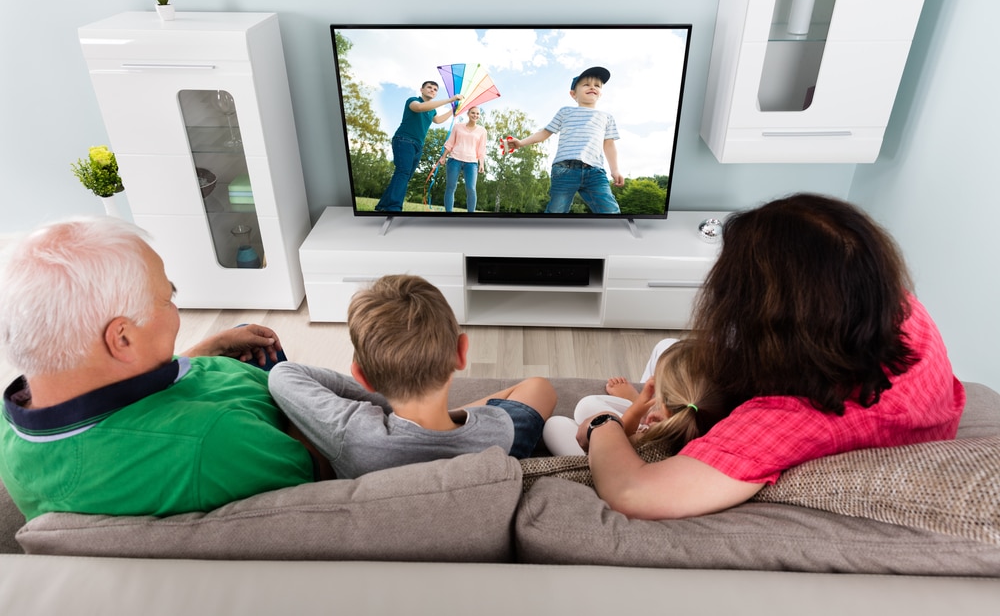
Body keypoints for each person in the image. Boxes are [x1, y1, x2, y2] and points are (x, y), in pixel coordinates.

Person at [576, 193, 966, 520]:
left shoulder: (792, 419)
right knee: (669, 351)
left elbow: (632, 493)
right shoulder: (897, 309)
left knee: (663, 358)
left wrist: (602, 424)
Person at [0, 217, 318, 521]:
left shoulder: (12, 427)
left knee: (246, 331)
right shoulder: (211, 442)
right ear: (122, 339)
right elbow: (322, 477)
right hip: (288, 414)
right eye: (169, 297)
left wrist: (210, 349)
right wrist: (292, 393)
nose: (175, 308)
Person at [268, 274, 557, 478]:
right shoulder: (498, 429)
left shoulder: (353, 433)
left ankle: (434, 416)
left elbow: (283, 374)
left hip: (376, 464)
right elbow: (535, 395)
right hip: (485, 457)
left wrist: (378, 397)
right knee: (539, 387)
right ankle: (448, 418)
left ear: (362, 377)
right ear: (461, 352)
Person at [542, 339, 725, 457]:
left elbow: (617, 443)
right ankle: (641, 406)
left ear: (666, 406)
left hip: (607, 459)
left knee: (554, 425)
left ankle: (640, 407)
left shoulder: (653, 443)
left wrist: (635, 411)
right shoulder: (708, 420)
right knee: (585, 406)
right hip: (646, 431)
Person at [505, 66, 624, 213]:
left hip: (595, 172)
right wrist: (521, 143)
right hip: (564, 170)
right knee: (556, 211)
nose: (592, 87)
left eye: (597, 85)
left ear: (600, 93)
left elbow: (609, 145)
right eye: (586, 84)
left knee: (610, 211)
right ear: (573, 94)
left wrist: (615, 170)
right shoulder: (566, 112)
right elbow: (544, 132)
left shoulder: (606, 117)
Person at [374, 81, 463, 212]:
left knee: (405, 176)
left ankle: (383, 206)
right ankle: (393, 207)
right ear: (421, 89)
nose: (432, 90)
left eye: (435, 89)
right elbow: (420, 108)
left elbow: (438, 120)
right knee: (403, 173)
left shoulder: (432, 110)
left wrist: (453, 110)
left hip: (418, 146)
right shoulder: (413, 100)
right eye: (429, 88)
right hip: (404, 140)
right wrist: (450, 99)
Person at [437, 105, 487, 212]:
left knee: (471, 189)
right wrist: (443, 157)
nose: (475, 115)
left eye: (477, 113)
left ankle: (470, 215)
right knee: (450, 187)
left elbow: (481, 149)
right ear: (468, 114)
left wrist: (481, 164)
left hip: (472, 162)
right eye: (473, 113)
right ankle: (449, 213)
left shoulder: (482, 131)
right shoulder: (457, 126)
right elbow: (450, 143)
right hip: (455, 159)